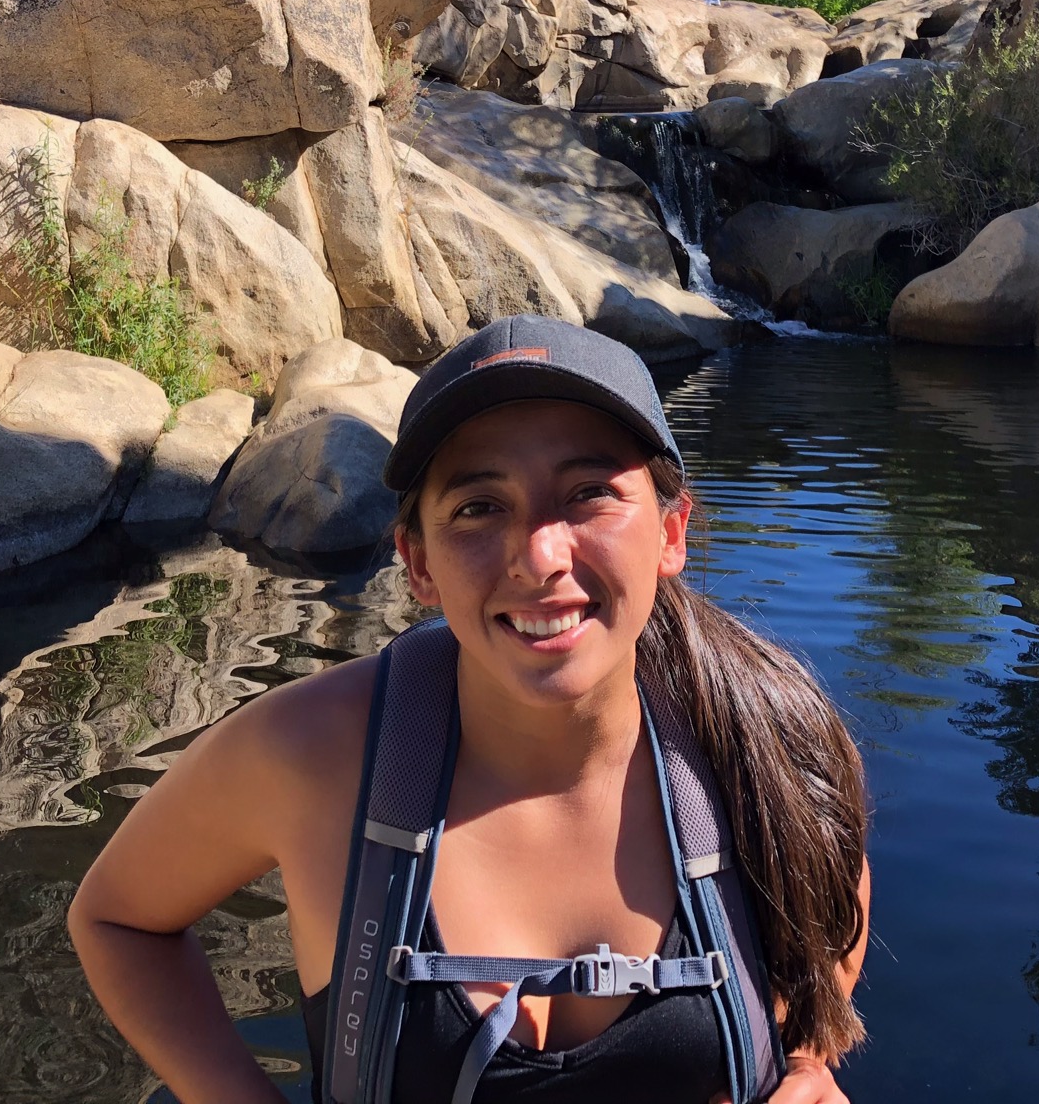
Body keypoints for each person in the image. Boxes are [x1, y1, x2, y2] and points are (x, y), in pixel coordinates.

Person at [70, 316, 871, 1103]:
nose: (538, 557)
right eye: (480, 507)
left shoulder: (769, 744)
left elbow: (831, 910)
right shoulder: (308, 754)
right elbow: (117, 921)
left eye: (590, 493)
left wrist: (804, 1061)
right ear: (417, 561)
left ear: (671, 532)